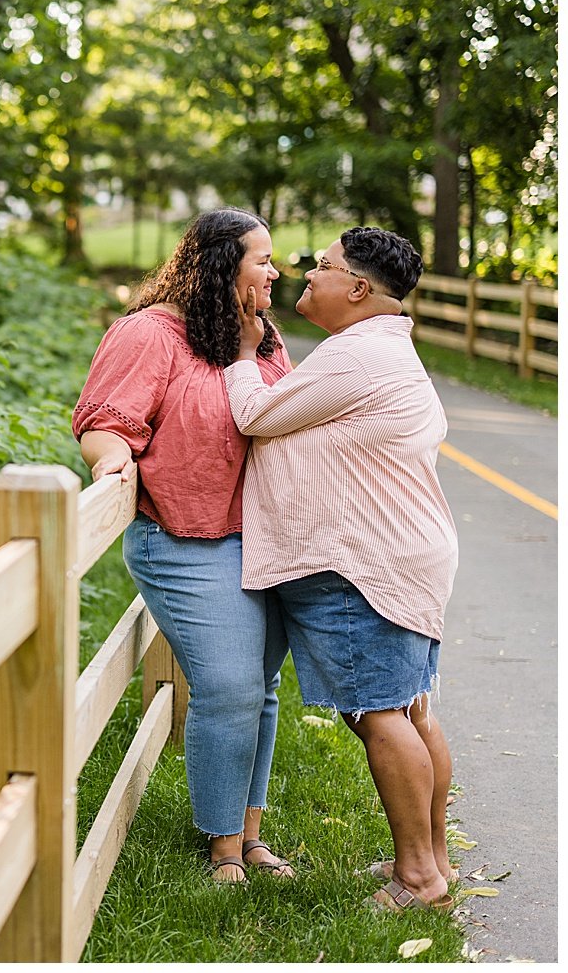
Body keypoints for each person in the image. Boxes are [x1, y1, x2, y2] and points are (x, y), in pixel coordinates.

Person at [224, 226, 458, 911]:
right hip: (398, 554)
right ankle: (431, 857)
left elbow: (255, 414)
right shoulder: (370, 351)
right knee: (409, 708)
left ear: (357, 289)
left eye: (321, 267)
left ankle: (418, 879)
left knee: (378, 712)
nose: (307, 273)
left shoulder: (357, 357)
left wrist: (244, 350)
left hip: (363, 563)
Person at [73, 207, 295, 884]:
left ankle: (251, 835)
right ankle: (222, 848)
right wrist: (111, 461)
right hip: (185, 537)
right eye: (263, 259)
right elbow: (106, 421)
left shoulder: (258, 335)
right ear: (224, 266)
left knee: (259, 689)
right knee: (228, 684)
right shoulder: (149, 333)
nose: (275, 271)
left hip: (264, 537)